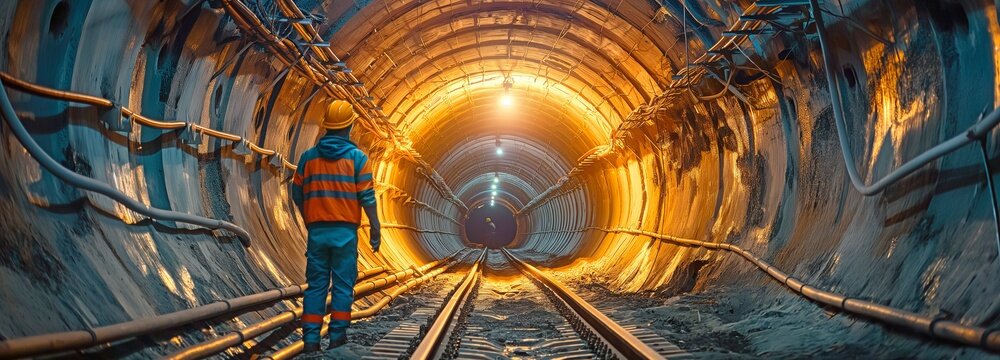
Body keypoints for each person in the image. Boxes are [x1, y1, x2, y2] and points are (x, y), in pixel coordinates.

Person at [291, 99, 381, 354]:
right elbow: (367, 197)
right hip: (345, 234)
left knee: (316, 286)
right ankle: (337, 338)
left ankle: (310, 341)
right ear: (350, 126)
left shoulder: (307, 158)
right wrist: (375, 227)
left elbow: (297, 193)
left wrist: (309, 218)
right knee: (343, 286)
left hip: (317, 233)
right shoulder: (357, 159)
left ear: (326, 127)